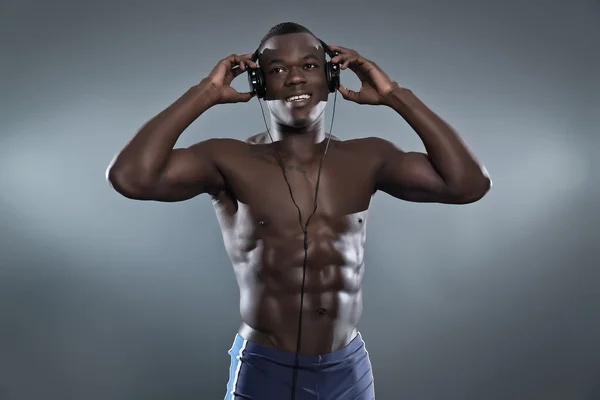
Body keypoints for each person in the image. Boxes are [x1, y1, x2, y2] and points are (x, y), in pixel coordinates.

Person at [106, 22, 491, 400]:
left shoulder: (368, 157)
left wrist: (394, 94)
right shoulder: (228, 159)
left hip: (347, 369)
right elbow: (130, 178)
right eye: (277, 70)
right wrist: (204, 93)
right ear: (259, 85)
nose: (294, 79)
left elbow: (468, 185)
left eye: (308, 66)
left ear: (331, 77)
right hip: (266, 368)